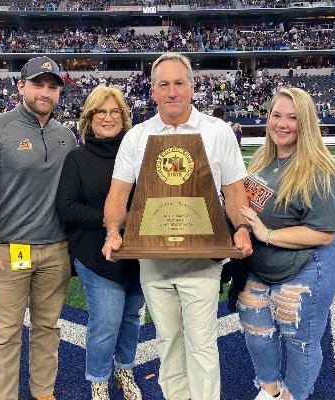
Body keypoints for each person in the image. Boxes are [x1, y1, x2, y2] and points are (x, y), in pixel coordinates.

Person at [102, 52, 253, 400]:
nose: (172, 92)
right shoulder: (136, 137)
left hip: (202, 258)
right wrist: (113, 231)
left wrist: (241, 229)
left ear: (192, 87)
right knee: (168, 343)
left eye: (179, 83)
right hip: (152, 259)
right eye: (163, 84)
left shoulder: (218, 132)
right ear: (152, 91)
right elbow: (118, 195)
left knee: (201, 344)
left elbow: (234, 192)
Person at [0, 56, 77, 400]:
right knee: (7, 332)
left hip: (55, 250)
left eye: (52, 86)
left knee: (47, 329)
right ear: (21, 87)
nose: (45, 92)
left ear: (59, 92)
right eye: (38, 84)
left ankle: (43, 392)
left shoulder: (66, 136)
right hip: (9, 250)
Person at [237, 87, 335, 400]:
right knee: (256, 329)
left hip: (307, 265)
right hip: (261, 264)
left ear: (306, 123)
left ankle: (293, 396)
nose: (281, 124)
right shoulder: (262, 160)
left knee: (300, 340)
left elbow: (324, 232)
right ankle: (268, 390)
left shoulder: (320, 169)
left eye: (293, 118)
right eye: (276, 115)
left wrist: (267, 234)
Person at [56, 85, 145, 400]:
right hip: (95, 253)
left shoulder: (138, 154)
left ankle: (124, 370)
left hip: (137, 252)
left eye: (115, 111)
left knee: (132, 317)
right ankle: (98, 380)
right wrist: (112, 221)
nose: (108, 117)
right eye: (100, 111)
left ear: (124, 116)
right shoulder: (77, 158)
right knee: (106, 320)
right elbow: (66, 207)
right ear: (89, 118)